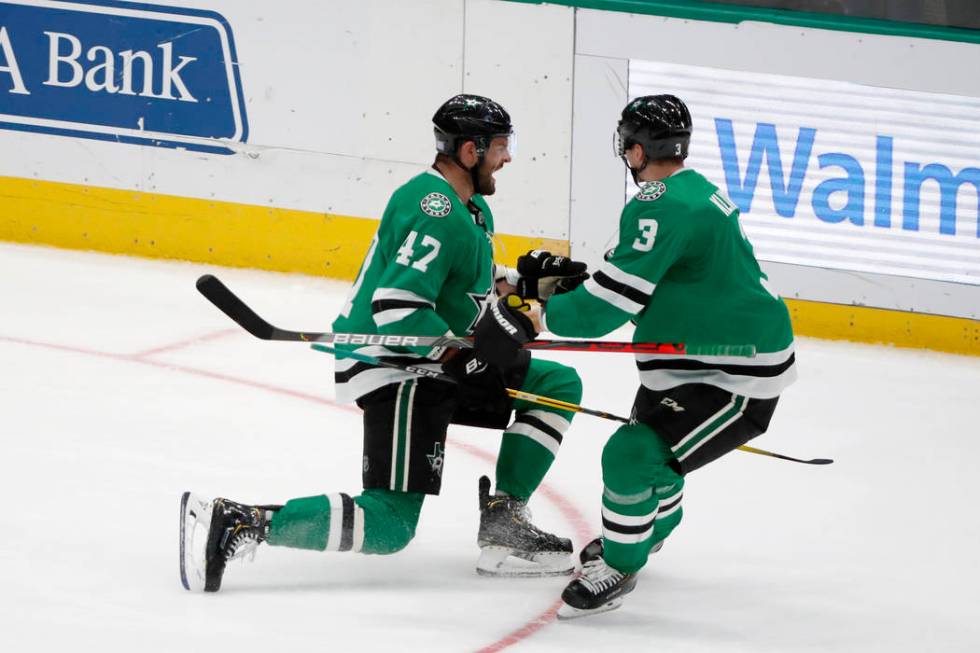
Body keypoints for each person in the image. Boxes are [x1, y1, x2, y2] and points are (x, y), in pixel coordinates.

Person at [179, 94, 591, 592]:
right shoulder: (433, 208)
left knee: (555, 382)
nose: (508, 157)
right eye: (501, 146)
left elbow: (463, 282)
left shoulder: (469, 205)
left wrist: (523, 283)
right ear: (469, 151)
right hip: (399, 367)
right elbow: (396, 307)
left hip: (439, 361)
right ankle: (241, 521)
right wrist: (466, 353)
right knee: (389, 525)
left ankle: (504, 519)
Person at [529, 94, 798, 618]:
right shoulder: (688, 190)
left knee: (631, 455)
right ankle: (648, 531)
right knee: (651, 456)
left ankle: (622, 566)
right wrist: (543, 289)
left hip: (734, 375)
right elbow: (645, 283)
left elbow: (605, 308)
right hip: (690, 358)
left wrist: (540, 317)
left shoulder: (661, 203)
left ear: (635, 148)